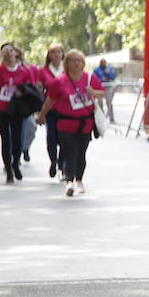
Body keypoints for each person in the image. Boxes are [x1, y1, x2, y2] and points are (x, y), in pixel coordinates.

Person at [36, 49, 104, 197]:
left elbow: (102, 92)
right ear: (67, 63)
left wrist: (92, 92)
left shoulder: (89, 78)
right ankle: (69, 182)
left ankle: (79, 180)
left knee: (81, 153)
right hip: (65, 124)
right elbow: (50, 100)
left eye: (79, 60)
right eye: (72, 60)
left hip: (85, 123)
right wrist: (42, 115)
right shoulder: (60, 81)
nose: (76, 63)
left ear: (83, 63)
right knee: (69, 152)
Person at [0, 42, 38, 183]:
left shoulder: (24, 70)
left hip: (18, 108)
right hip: (2, 108)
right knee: (6, 139)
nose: (9, 53)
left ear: (16, 53)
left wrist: (21, 90)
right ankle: (8, 170)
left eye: (11, 51)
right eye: (6, 52)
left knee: (17, 139)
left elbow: (31, 87)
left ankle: (16, 163)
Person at [36, 44, 65, 179]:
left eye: (59, 52)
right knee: (51, 138)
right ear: (49, 55)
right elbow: (39, 91)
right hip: (51, 109)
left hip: (66, 110)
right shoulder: (43, 71)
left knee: (65, 139)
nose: (56, 55)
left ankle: (62, 165)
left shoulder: (67, 70)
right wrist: (39, 111)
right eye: (53, 52)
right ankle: (53, 160)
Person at [93, 58, 118, 122]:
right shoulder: (96, 70)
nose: (103, 63)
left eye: (104, 62)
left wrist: (108, 73)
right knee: (100, 103)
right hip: (99, 88)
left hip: (108, 88)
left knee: (109, 102)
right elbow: (94, 78)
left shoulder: (109, 69)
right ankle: (102, 118)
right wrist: (101, 79)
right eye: (102, 62)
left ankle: (111, 119)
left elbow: (113, 77)